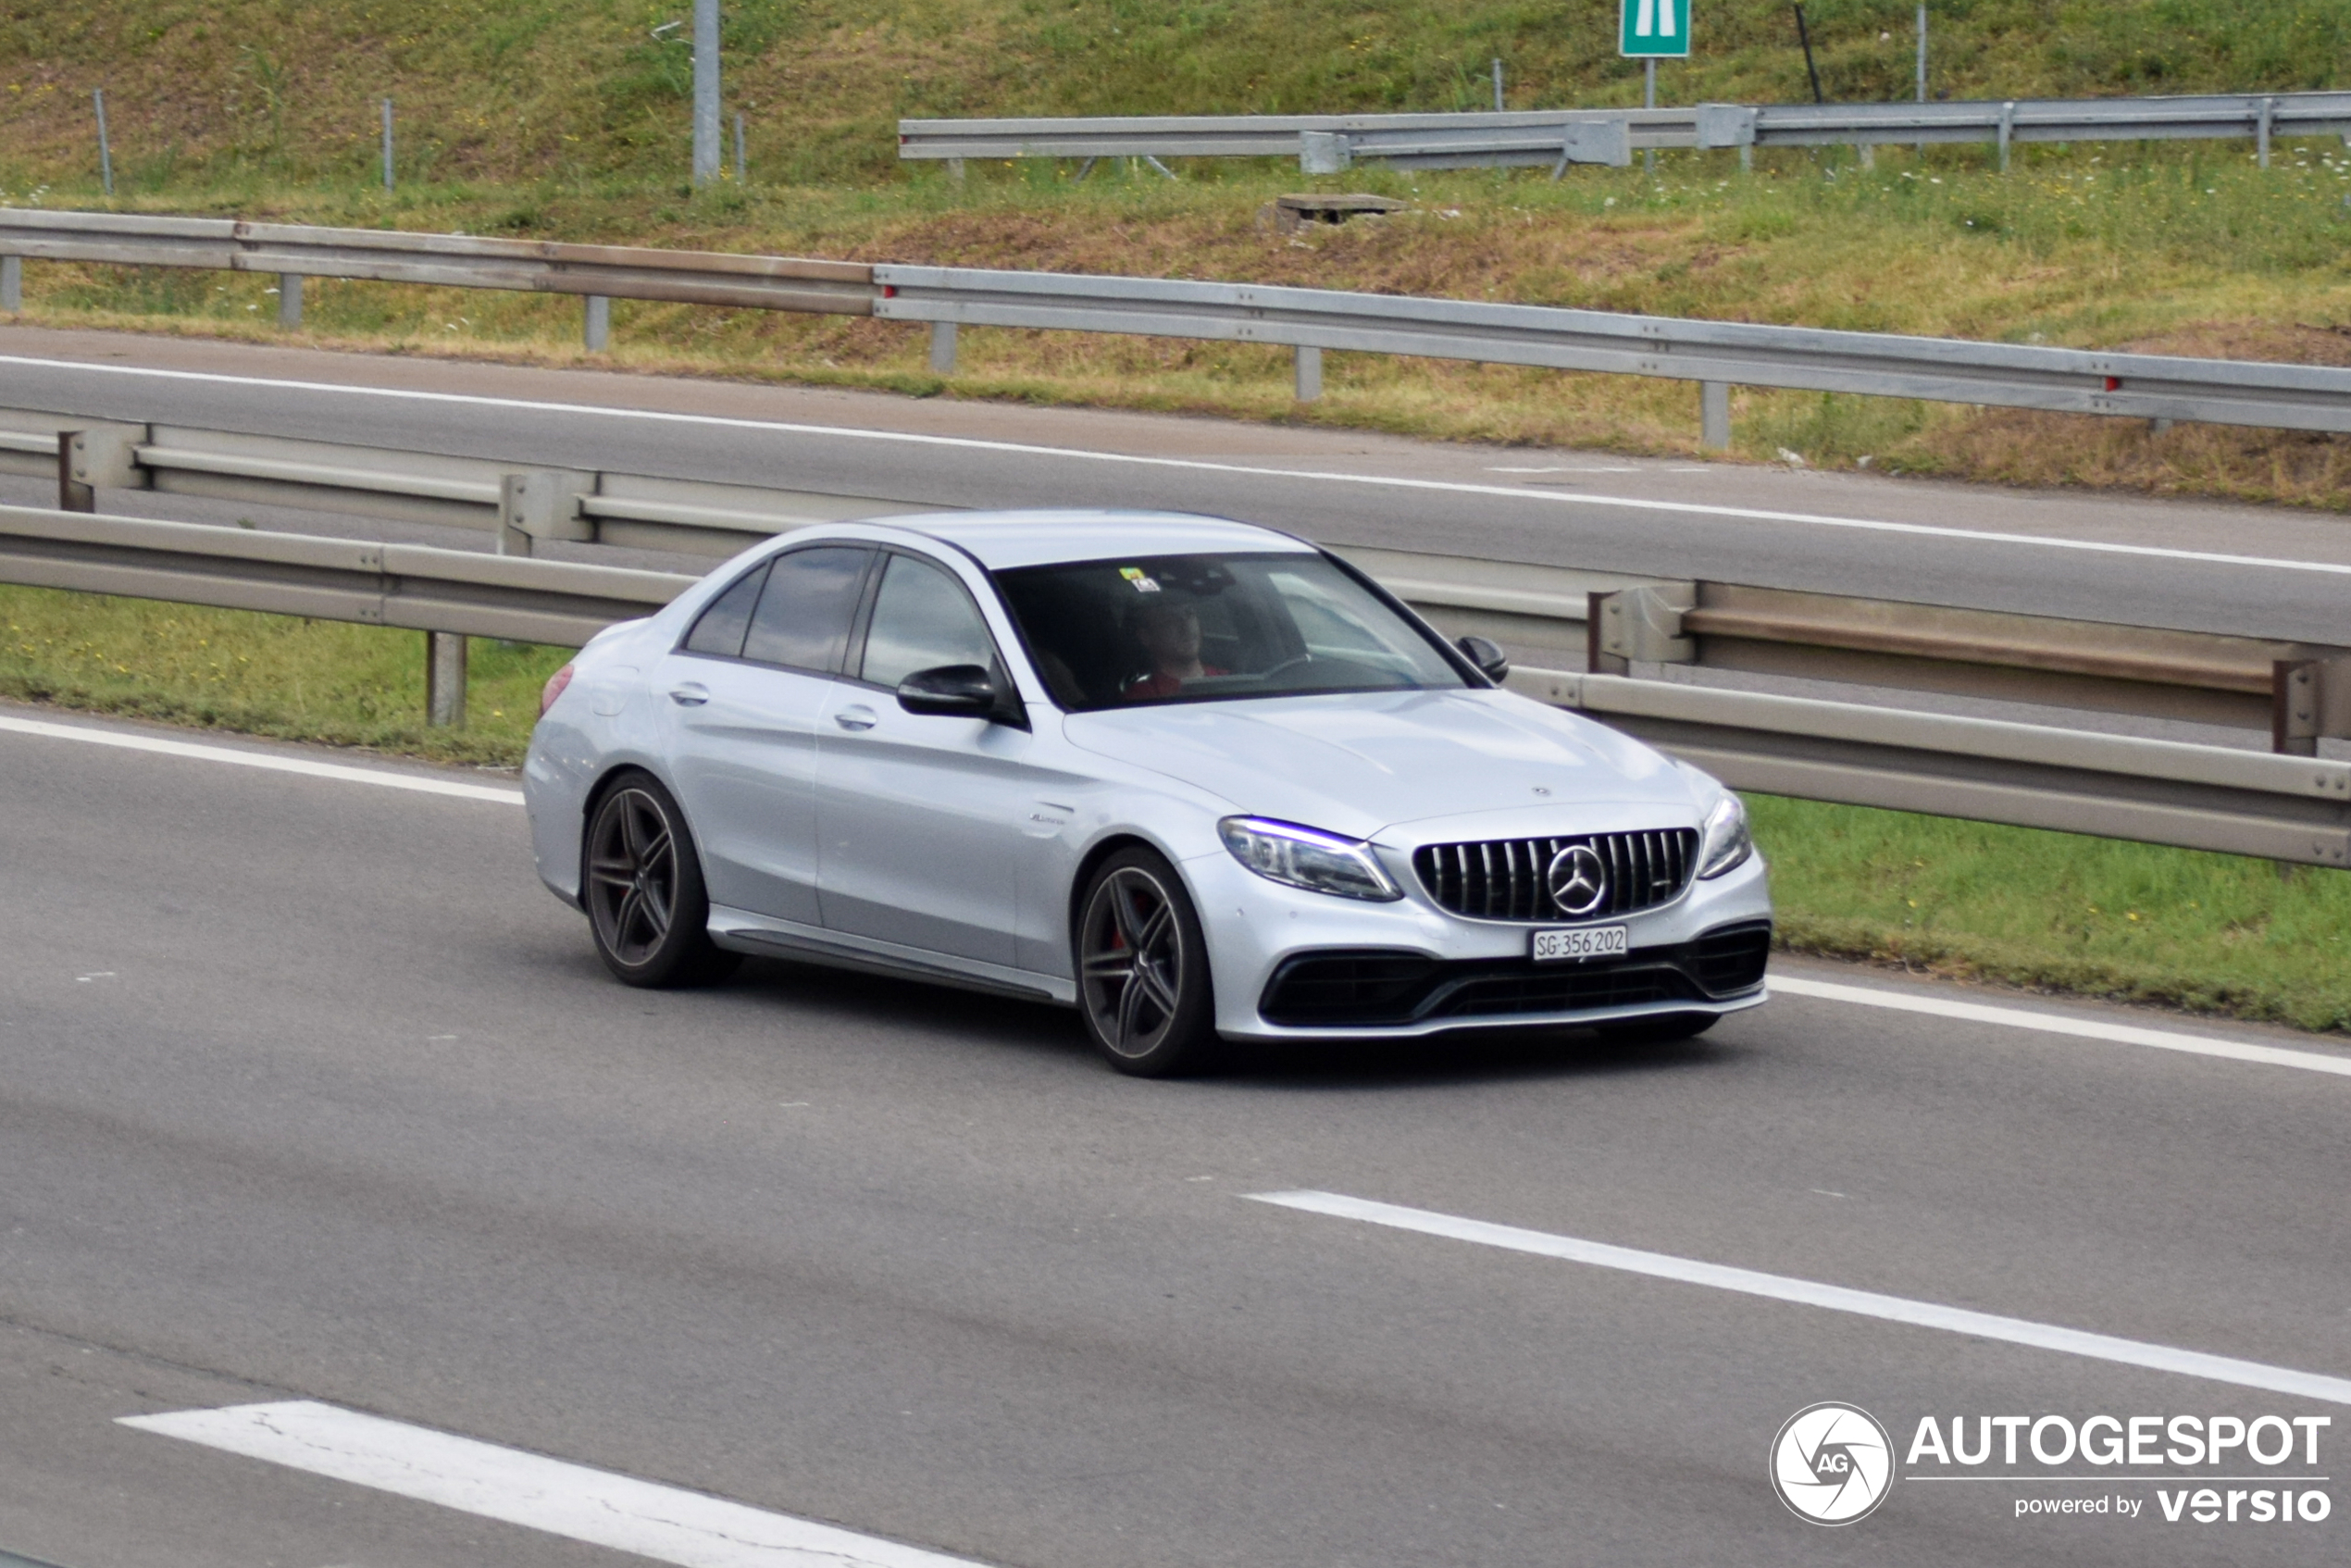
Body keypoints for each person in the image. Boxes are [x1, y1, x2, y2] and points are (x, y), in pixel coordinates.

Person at [1122, 598, 1226, 700]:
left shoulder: (1229, 680)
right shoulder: (1142, 696)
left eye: (1189, 614)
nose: (1186, 627)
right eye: (1171, 619)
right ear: (1145, 637)